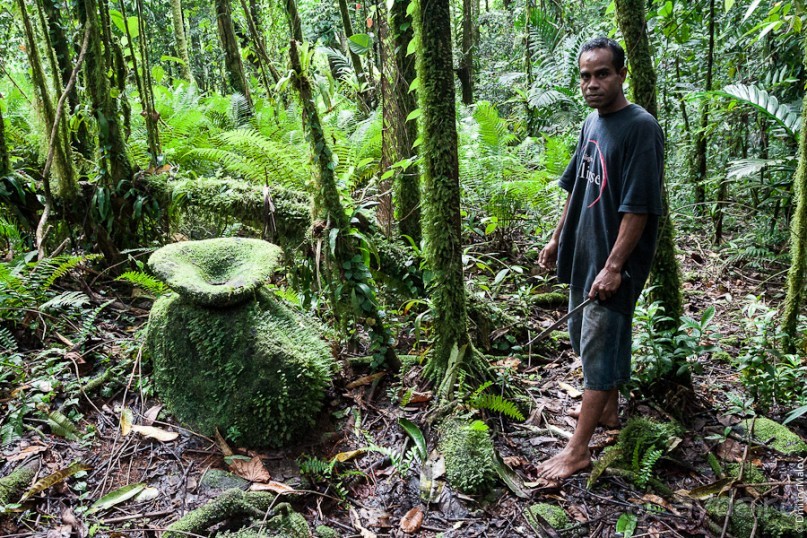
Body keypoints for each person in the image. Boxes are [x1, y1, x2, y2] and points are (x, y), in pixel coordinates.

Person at [536, 37, 664, 480]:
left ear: (622, 74)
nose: (592, 84)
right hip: (583, 252)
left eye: (602, 73)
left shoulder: (640, 128)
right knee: (585, 339)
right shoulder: (592, 122)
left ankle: (577, 450)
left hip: (614, 263)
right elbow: (576, 188)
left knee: (597, 345)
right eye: (585, 76)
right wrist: (556, 240)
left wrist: (614, 267)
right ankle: (609, 411)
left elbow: (640, 208)